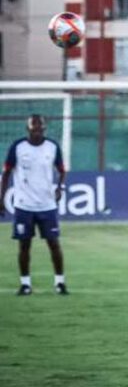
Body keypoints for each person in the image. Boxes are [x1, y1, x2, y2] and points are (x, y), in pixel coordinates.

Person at [0, 115, 68, 296]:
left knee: (54, 244)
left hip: (47, 205)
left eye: (40, 128)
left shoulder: (52, 147)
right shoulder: (18, 147)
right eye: (33, 128)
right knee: (24, 246)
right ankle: (25, 284)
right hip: (24, 205)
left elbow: (62, 170)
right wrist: (1, 198)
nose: (37, 131)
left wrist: (60, 187)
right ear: (28, 129)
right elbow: (6, 173)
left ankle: (60, 283)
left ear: (44, 129)